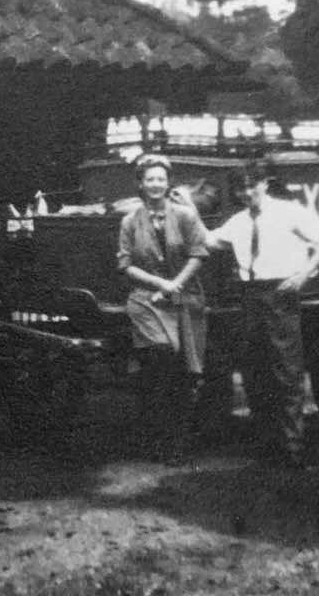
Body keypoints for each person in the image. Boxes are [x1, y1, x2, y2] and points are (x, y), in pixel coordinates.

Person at [205, 158, 319, 469]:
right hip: (250, 296)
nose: (246, 192)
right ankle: (267, 446)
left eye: (252, 185)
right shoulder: (238, 221)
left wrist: (302, 275)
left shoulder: (289, 212)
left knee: (286, 371)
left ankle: (292, 449)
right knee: (255, 370)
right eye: (241, 188)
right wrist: (183, 208)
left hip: (280, 294)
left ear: (265, 183)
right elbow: (209, 241)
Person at [116, 154, 209, 462]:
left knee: (186, 374)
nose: (155, 185)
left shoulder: (184, 215)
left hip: (185, 298)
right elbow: (126, 265)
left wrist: (175, 285)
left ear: (168, 183)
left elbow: (198, 254)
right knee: (162, 355)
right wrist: (159, 285)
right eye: (149, 179)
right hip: (146, 299)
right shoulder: (130, 220)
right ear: (140, 184)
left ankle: (176, 445)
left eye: (160, 179)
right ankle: (153, 436)